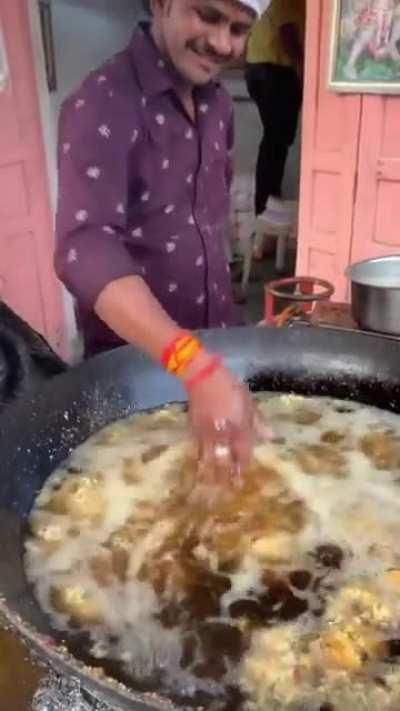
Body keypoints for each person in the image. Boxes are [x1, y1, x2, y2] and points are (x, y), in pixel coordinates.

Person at [55, 0, 270, 482]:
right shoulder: (102, 102)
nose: (222, 43)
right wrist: (191, 365)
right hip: (136, 373)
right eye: (208, 15)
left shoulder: (217, 104)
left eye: (239, 28)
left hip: (220, 352)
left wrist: (214, 362)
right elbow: (82, 246)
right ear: (162, 3)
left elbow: (208, 220)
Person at [245, 0, 305, 223]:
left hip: (261, 69)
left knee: (275, 138)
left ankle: (268, 203)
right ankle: (267, 206)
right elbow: (286, 31)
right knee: (276, 139)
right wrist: (306, 66)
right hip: (274, 70)